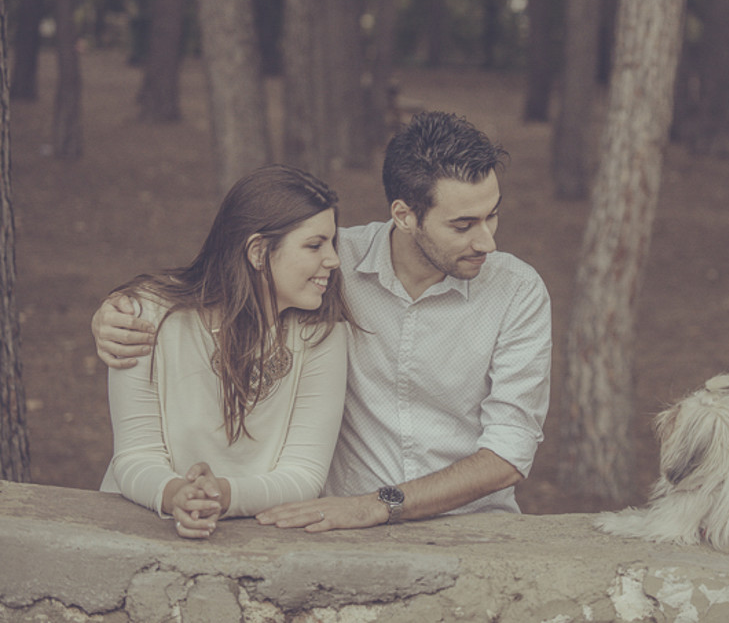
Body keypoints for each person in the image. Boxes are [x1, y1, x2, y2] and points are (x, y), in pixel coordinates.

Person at [93, 111, 552, 531]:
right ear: (405, 216)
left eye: (492, 216)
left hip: (468, 524)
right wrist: (117, 312)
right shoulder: (329, 267)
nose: (487, 241)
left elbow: (509, 453)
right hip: (340, 527)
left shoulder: (517, 291)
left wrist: (378, 503)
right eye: (463, 225)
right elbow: (229, 276)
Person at [98, 164, 352, 538]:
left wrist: (218, 495)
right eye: (315, 245)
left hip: (259, 541)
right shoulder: (145, 317)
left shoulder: (321, 335)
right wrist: (176, 496)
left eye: (332, 243)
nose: (333, 260)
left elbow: (304, 475)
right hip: (137, 528)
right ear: (258, 250)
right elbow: (135, 457)